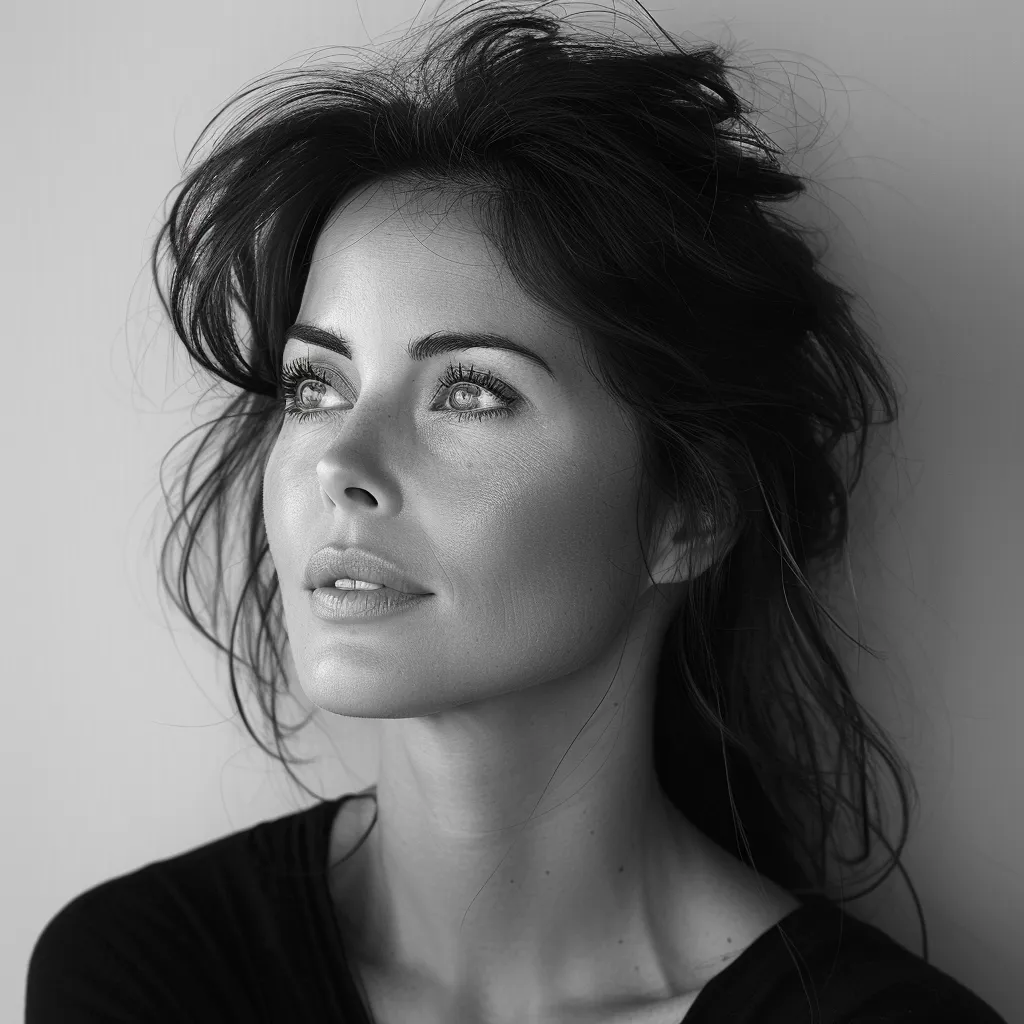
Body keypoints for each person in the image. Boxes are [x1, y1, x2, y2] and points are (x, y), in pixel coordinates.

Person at [25, 1, 1009, 1021]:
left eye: (468, 391)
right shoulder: (145, 973)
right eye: (315, 386)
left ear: (689, 512)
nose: (340, 464)